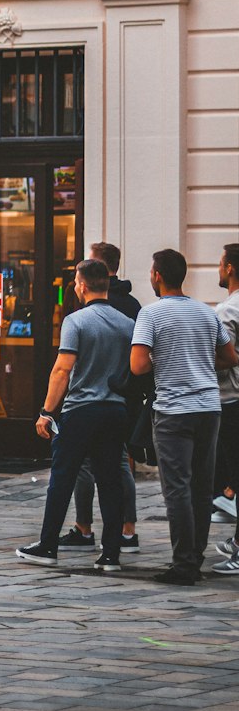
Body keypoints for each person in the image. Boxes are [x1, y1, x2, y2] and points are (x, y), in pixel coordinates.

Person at [16, 259, 133, 573]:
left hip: (81, 410)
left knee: (63, 477)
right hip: (115, 409)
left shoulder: (76, 321)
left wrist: (46, 412)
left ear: (81, 285)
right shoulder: (127, 324)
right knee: (110, 481)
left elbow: (62, 369)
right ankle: (110, 554)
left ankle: (48, 545)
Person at [130, 248, 238, 585]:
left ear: (157, 276)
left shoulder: (151, 314)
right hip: (209, 408)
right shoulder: (206, 313)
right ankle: (197, 556)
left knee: (176, 488)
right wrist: (200, 364)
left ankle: (184, 564)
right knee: (202, 489)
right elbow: (230, 356)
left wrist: (166, 360)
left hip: (174, 411)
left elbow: (137, 365)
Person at [60, 241, 142, 552]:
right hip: (120, 398)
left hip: (88, 398)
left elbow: (66, 364)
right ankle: (126, 530)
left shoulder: (86, 312)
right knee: (119, 465)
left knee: (84, 465)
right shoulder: (132, 306)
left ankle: (84, 528)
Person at [211, 244, 239, 576]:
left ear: (230, 268)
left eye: (220, 264)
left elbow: (222, 358)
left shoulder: (227, 311)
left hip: (231, 399)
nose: (219, 269)